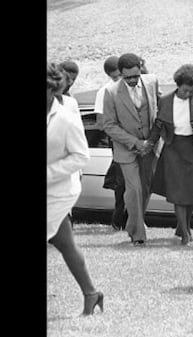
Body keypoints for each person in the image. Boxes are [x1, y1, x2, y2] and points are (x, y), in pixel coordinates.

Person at [47, 62, 103, 316]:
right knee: (65, 243)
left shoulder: (67, 115)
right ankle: (92, 293)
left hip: (57, 191)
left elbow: (80, 156)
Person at [148, 64, 193, 245]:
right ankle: (185, 232)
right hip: (173, 148)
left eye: (192, 91)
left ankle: (184, 227)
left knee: (190, 193)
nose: (188, 93)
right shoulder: (165, 100)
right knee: (177, 192)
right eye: (185, 90)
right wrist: (149, 143)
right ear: (178, 84)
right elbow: (158, 125)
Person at [102, 53, 161, 246]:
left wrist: (151, 141)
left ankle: (133, 223)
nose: (132, 80)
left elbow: (159, 108)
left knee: (145, 189)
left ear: (141, 68)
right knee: (133, 189)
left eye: (135, 76)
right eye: (127, 77)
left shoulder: (152, 81)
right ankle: (138, 235)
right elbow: (109, 125)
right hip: (126, 149)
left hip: (150, 147)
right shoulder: (110, 92)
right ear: (120, 73)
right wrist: (135, 143)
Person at [94, 55, 128, 231]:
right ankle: (119, 219)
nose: (119, 80)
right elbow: (101, 123)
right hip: (117, 140)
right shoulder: (105, 91)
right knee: (121, 183)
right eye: (115, 77)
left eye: (121, 76)